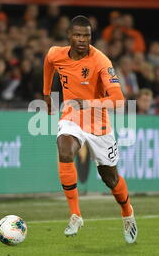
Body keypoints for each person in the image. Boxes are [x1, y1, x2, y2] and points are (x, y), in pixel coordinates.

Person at [43, 15, 137, 243]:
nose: (82, 40)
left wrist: (89, 103)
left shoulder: (101, 62)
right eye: (77, 35)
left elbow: (119, 100)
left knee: (110, 178)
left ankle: (127, 213)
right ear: (69, 36)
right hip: (72, 117)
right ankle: (75, 214)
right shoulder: (56, 53)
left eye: (86, 35)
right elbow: (48, 64)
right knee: (65, 149)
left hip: (99, 124)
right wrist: (47, 94)